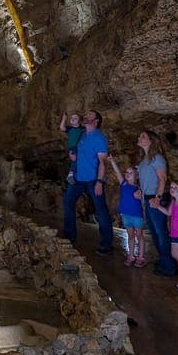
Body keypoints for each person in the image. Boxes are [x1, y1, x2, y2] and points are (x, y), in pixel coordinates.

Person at [62, 110, 114, 255]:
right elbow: (77, 155)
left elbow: (103, 162)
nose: (86, 116)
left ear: (96, 120)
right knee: (68, 203)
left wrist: (99, 181)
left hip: (92, 179)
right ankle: (69, 236)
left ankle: (106, 244)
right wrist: (73, 157)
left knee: (101, 210)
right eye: (86, 114)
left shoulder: (99, 138)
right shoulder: (83, 135)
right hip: (78, 178)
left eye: (90, 115)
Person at [135, 131, 178, 277]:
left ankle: (169, 266)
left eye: (143, 136)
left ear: (151, 141)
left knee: (161, 232)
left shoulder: (157, 158)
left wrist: (157, 197)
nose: (139, 138)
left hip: (156, 197)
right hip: (148, 198)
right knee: (154, 233)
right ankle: (164, 260)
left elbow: (163, 178)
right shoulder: (144, 159)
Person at [108, 154, 146, 267]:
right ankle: (131, 255)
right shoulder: (124, 184)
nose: (127, 174)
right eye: (127, 172)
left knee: (139, 235)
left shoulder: (139, 189)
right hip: (126, 215)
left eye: (130, 173)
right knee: (130, 235)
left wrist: (141, 197)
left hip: (136, 216)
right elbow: (118, 173)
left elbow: (144, 201)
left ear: (136, 176)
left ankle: (141, 256)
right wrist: (112, 161)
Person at [59, 113, 84, 184]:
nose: (72, 119)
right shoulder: (70, 128)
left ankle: (74, 174)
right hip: (73, 147)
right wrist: (64, 118)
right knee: (75, 160)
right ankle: (71, 174)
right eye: (71, 118)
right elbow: (62, 127)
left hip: (80, 147)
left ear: (80, 121)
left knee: (78, 160)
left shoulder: (82, 129)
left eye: (75, 118)